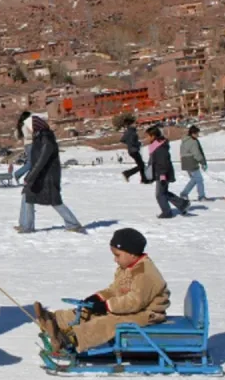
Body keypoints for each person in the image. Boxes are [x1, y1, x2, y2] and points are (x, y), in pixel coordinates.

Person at [34, 228, 170, 353]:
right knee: (88, 310)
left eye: (117, 255)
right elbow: (115, 290)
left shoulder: (145, 273)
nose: (115, 259)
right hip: (130, 308)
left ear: (132, 254)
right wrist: (98, 298)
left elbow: (134, 302)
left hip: (147, 314)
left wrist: (106, 306)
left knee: (107, 322)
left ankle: (68, 339)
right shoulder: (127, 268)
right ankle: (54, 320)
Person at [18, 116, 84, 234]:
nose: (28, 130)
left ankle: (73, 224)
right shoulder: (39, 138)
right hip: (40, 175)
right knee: (27, 195)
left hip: (48, 176)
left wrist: (30, 176)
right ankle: (26, 226)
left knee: (55, 201)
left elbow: (42, 160)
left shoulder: (47, 139)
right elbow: (36, 160)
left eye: (29, 127)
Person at [146, 126, 189, 218]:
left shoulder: (159, 147)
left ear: (153, 136)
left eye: (149, 136)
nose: (147, 138)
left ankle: (167, 212)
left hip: (163, 174)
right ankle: (182, 203)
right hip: (161, 173)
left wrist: (162, 176)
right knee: (163, 193)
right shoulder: (156, 146)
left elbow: (163, 163)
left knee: (159, 194)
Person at [179, 125, 208, 201]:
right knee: (199, 179)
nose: (198, 135)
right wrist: (203, 162)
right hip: (191, 162)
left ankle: (184, 194)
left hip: (185, 162)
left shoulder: (184, 140)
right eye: (197, 133)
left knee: (194, 179)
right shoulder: (193, 141)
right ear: (193, 133)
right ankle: (201, 196)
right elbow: (197, 154)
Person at [120, 116, 149, 184]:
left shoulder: (127, 131)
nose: (136, 124)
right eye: (134, 123)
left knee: (141, 164)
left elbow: (122, 140)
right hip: (134, 150)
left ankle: (144, 179)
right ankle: (127, 173)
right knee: (141, 165)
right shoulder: (131, 131)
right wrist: (139, 143)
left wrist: (129, 143)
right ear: (131, 124)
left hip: (132, 150)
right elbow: (133, 141)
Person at [13, 111, 33, 182]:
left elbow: (16, 134)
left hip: (29, 145)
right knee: (31, 163)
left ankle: (29, 179)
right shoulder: (25, 125)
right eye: (30, 116)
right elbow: (27, 136)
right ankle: (17, 174)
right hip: (30, 145)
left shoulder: (24, 125)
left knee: (35, 163)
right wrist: (35, 135)